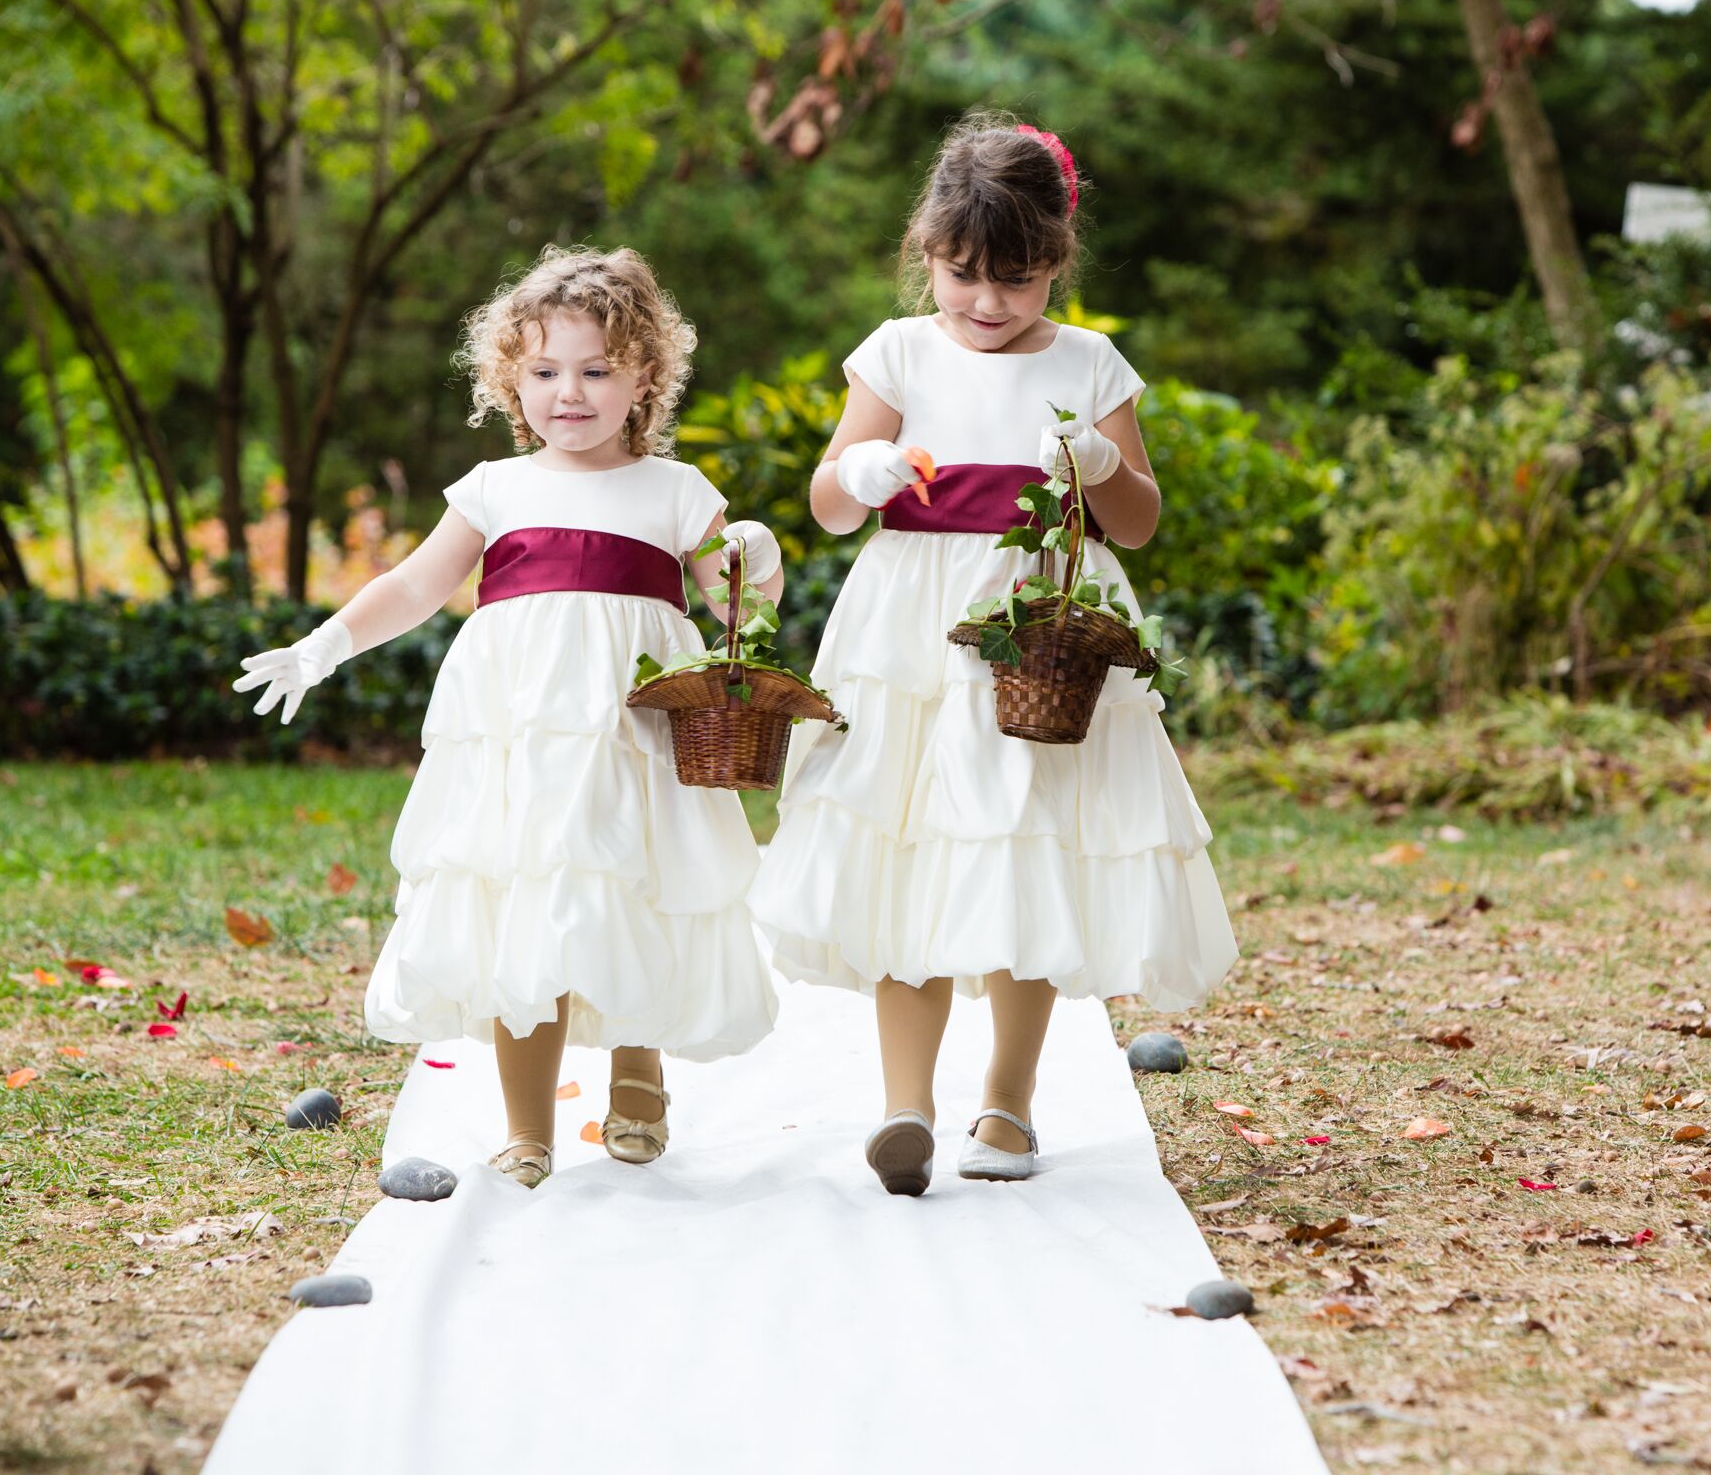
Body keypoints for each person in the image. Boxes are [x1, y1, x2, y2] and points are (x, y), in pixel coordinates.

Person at [750, 115, 1237, 1195]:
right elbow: (826, 504)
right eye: (961, 274)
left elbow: (1141, 522)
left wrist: (1104, 463)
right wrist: (864, 472)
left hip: (1037, 625)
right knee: (907, 847)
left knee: (1025, 848)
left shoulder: (1089, 362)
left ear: (1056, 264)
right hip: (909, 629)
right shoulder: (898, 351)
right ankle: (904, 1107)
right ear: (926, 253)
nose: (983, 301)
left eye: (1014, 280)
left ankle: (1008, 1102)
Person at [235, 247, 783, 1187]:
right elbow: (415, 584)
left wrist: (754, 561)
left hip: (631, 735)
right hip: (518, 732)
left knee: (634, 890)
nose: (569, 393)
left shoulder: (674, 494)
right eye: (544, 372)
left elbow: (741, 619)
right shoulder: (494, 488)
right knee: (523, 898)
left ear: (644, 375)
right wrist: (325, 643)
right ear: (510, 380)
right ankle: (527, 1126)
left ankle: (638, 1080)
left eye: (596, 370)